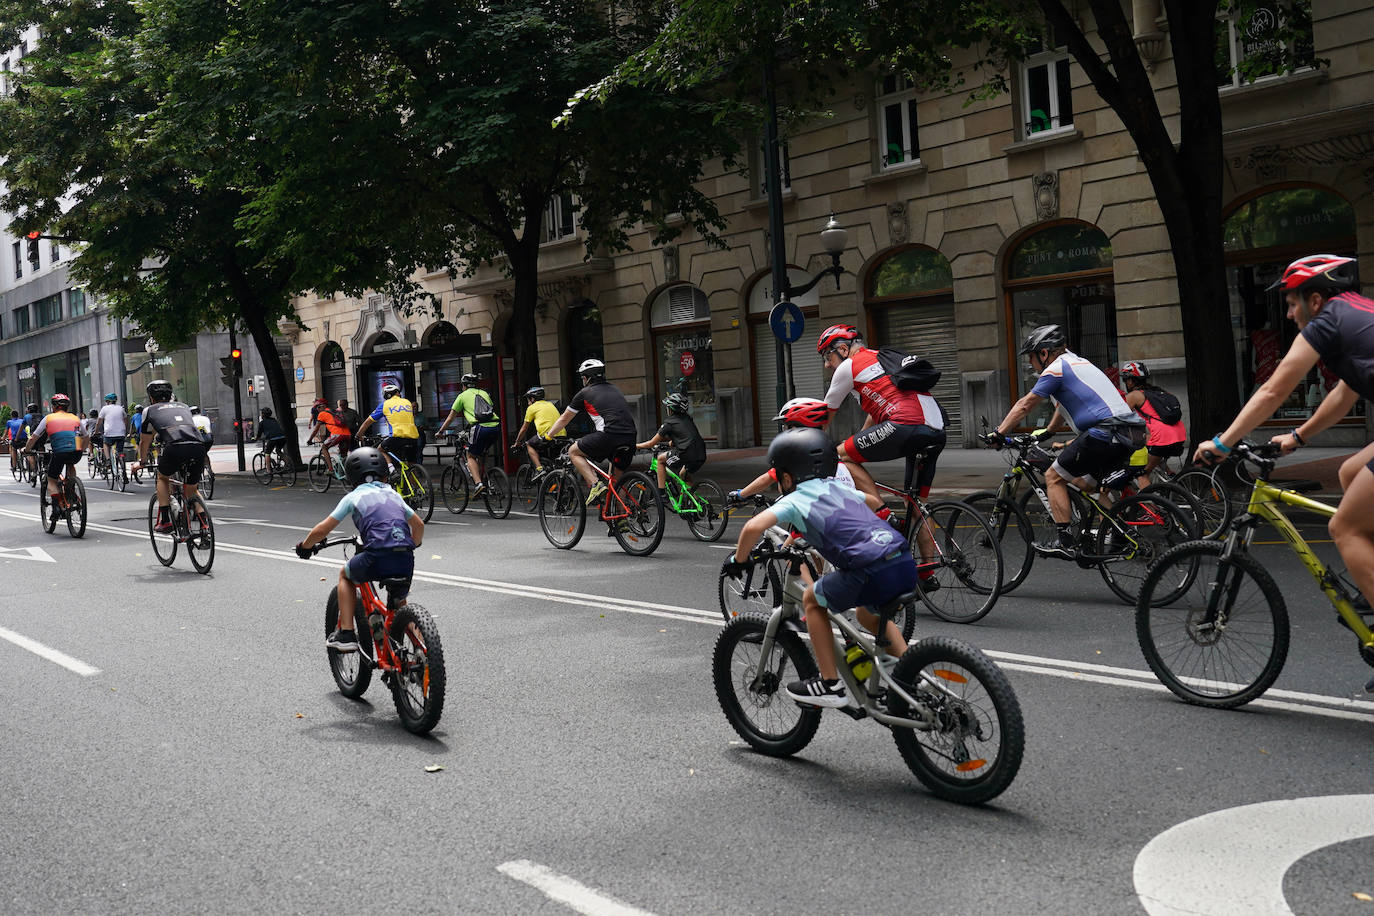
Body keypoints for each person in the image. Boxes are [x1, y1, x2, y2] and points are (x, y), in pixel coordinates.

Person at [1197, 254, 1374, 606]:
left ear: (1315, 300)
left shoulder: (1327, 322)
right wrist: (1298, 436)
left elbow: (1273, 391)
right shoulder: (1357, 311)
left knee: (1344, 528)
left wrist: (1223, 442)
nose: (1290, 314)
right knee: (1349, 472)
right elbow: (1342, 394)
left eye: (1293, 304)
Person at [724, 427, 912, 708]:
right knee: (867, 615)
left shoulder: (794, 499)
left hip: (868, 570)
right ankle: (911, 673)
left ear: (787, 477)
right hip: (901, 559)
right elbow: (872, 502)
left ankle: (829, 685)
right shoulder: (837, 487)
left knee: (812, 599)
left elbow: (752, 527)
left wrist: (739, 560)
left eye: (778, 476)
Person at [989, 324, 1146, 560]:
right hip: (1130, 433)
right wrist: (1049, 431)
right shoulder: (1079, 363)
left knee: (1053, 476)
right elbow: (1065, 403)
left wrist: (999, 433)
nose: (1031, 364)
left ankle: (1065, 541)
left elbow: (1025, 404)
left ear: (1044, 353)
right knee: (1086, 484)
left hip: (1104, 433)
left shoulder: (1056, 368)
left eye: (1031, 357)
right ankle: (1119, 536)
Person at [296, 446, 425, 653]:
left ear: (351, 476)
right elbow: (418, 526)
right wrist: (413, 544)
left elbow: (323, 530)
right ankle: (422, 649)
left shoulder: (354, 497)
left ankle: (346, 633)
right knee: (400, 603)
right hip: (405, 557)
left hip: (376, 554)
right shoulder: (393, 495)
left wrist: (305, 546)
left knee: (345, 576)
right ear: (384, 474)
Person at [817, 324, 947, 501]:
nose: (826, 364)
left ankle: (880, 511)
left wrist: (806, 448)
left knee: (838, 456)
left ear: (843, 349)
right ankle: (923, 526)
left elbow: (823, 418)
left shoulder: (849, 366)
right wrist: (860, 438)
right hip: (937, 429)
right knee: (915, 504)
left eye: (827, 355)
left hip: (905, 424)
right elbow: (875, 413)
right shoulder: (882, 358)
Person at [536, 358, 638, 505]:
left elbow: (564, 419)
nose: (583, 380)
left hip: (608, 435)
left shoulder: (584, 393)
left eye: (583, 377)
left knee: (573, 451)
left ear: (588, 378)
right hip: (630, 437)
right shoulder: (615, 389)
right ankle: (621, 519)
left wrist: (547, 437)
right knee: (616, 481)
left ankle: (595, 484)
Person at [137, 380, 210, 533]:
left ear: (151, 397)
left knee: (162, 477)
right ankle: (205, 527)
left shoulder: (149, 410)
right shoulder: (184, 406)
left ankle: (164, 520)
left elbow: (145, 440)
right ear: (170, 394)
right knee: (192, 489)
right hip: (198, 446)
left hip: (175, 446)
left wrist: (142, 462)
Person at [1119, 361, 1186, 490]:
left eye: (1126, 380)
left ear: (1132, 381)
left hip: (1163, 438)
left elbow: (1119, 418)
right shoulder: (1158, 392)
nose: (1126, 383)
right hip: (1179, 434)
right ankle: (1173, 481)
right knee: (1154, 454)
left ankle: (1150, 508)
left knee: (1142, 474)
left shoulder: (1134, 395)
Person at [434, 373, 501, 496]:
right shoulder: (484, 393)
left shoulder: (462, 396)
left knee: (470, 455)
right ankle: (486, 479)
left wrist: (441, 431)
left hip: (480, 427)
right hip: (495, 426)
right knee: (481, 454)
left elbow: (450, 418)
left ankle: (479, 484)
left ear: (464, 385)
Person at [24, 394, 83, 519]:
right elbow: (85, 436)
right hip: (76, 452)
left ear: (54, 407)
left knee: (52, 480)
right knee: (70, 463)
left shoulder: (48, 418)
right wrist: (83, 448)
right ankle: (70, 490)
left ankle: (56, 508)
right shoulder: (75, 418)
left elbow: (35, 436)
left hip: (59, 453)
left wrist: (27, 449)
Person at [636, 392, 707, 496]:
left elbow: (651, 443)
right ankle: (697, 502)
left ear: (671, 409)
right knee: (683, 474)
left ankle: (661, 493)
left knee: (660, 460)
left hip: (686, 452)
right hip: (701, 452)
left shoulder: (669, 423)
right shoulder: (688, 419)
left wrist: (637, 446)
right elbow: (687, 435)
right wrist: (671, 443)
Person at [356, 383, 419, 475]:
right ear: (397, 392)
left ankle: (391, 469)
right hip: (413, 437)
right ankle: (417, 489)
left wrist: (359, 435)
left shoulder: (385, 405)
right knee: (411, 466)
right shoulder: (407, 402)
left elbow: (368, 422)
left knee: (380, 450)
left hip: (396, 436)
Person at [511, 385, 566, 481]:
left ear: (532, 399)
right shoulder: (550, 404)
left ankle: (540, 469)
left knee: (529, 444)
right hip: (562, 435)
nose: (528, 402)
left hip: (547, 436)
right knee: (554, 462)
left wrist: (517, 442)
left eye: (528, 399)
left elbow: (524, 428)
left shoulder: (532, 408)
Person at [308, 397, 353, 468]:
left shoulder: (322, 414)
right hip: (347, 434)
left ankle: (330, 469)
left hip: (337, 434)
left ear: (323, 406)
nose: (317, 409)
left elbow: (315, 430)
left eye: (318, 407)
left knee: (324, 448)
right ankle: (346, 473)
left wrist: (310, 440)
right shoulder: (336, 411)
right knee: (343, 455)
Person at [96, 393, 128, 471]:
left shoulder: (104, 409)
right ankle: (122, 466)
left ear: (107, 401)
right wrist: (125, 430)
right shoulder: (121, 408)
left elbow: (99, 422)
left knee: (106, 444)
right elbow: (125, 419)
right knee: (120, 451)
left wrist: (96, 431)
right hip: (121, 433)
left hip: (109, 433)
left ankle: (108, 460)